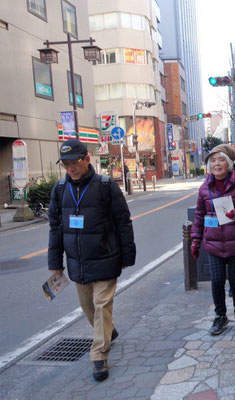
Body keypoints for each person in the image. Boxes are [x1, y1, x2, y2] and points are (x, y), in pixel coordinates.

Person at [48, 138, 136, 382]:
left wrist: (128, 255)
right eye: (66, 165)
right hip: (78, 262)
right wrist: (55, 261)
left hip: (105, 257)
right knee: (88, 308)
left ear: (87, 159)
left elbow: (123, 221)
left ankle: (99, 356)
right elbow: (55, 228)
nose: (71, 169)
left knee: (101, 305)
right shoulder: (59, 190)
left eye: (75, 163)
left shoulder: (106, 186)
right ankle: (108, 331)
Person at [191, 144, 235, 336]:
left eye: (221, 159)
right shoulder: (204, 188)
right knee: (217, 281)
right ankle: (220, 316)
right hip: (213, 244)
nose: (217, 164)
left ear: (229, 163)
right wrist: (196, 240)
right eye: (212, 160)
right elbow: (199, 215)